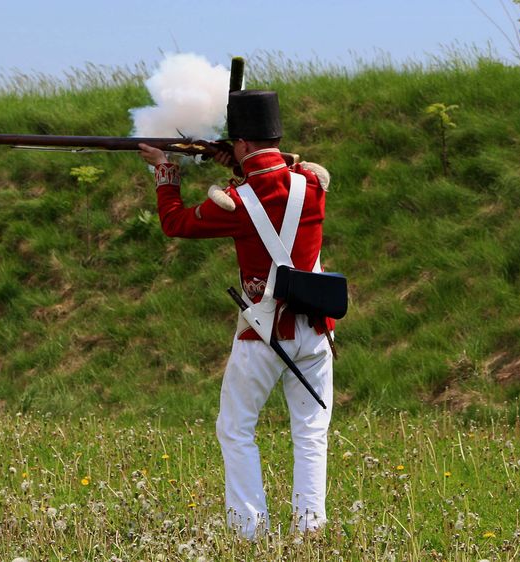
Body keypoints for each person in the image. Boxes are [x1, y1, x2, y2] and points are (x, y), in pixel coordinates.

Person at [138, 89, 335, 538]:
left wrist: (166, 170)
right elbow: (275, 180)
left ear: (240, 142)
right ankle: (310, 529)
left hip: (264, 335)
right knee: (310, 432)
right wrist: (238, 161)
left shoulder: (236, 201)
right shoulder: (312, 183)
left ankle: (250, 530)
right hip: (316, 331)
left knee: (236, 429)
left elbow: (176, 222)